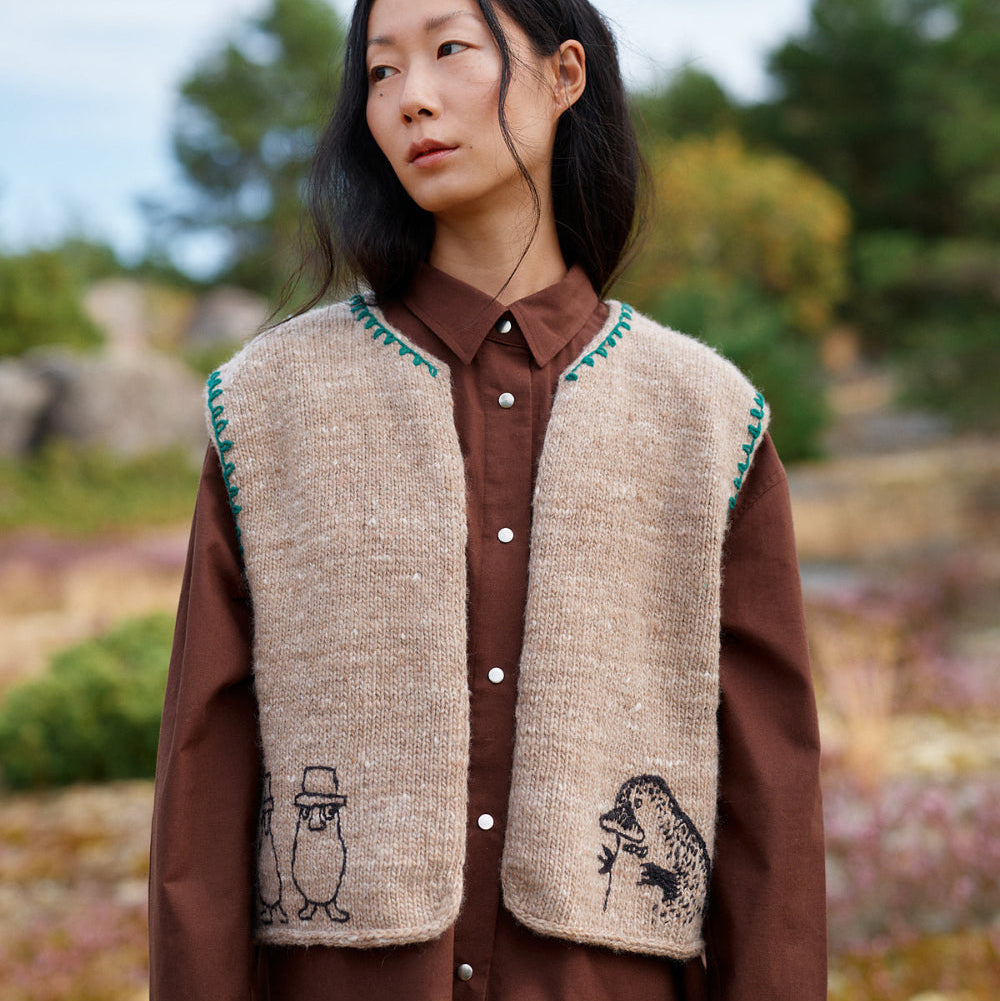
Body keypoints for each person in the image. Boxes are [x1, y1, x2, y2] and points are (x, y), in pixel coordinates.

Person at [148, 0, 827, 998]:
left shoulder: (706, 418)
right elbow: (204, 787)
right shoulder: (271, 406)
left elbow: (770, 804)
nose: (410, 98)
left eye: (449, 50)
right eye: (379, 72)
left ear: (562, 75)